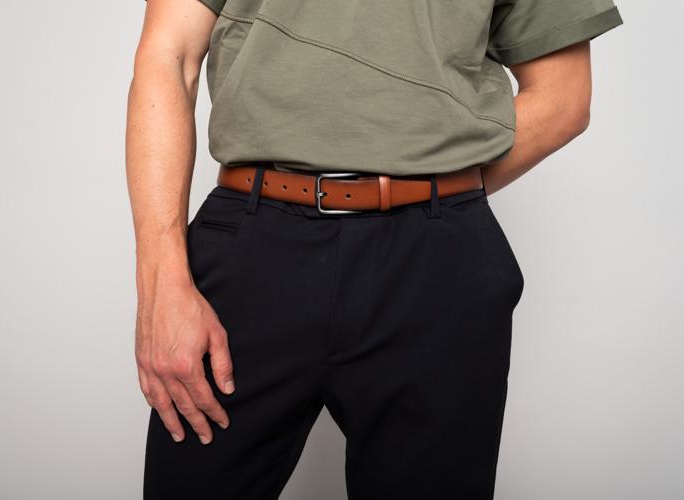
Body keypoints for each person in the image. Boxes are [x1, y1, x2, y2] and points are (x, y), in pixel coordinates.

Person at [126, 0, 623, 498]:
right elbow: (170, 55)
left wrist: (433, 186)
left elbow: (563, 98)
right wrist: (161, 286)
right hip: (254, 250)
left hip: (435, 263)